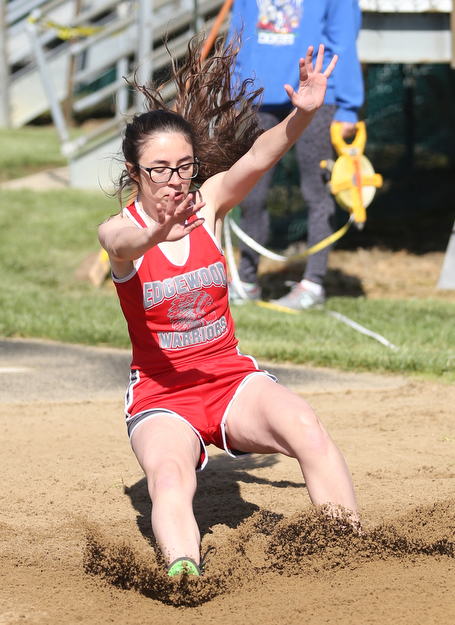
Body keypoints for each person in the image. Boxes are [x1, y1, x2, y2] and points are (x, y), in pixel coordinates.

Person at [98, 33, 360, 578]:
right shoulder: (121, 230)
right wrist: (155, 235)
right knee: (169, 479)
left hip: (230, 380)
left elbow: (261, 155)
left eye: (184, 166)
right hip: (162, 396)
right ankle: (184, 572)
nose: (175, 181)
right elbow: (121, 246)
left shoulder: (209, 203)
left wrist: (301, 114)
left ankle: (350, 548)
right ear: (133, 173)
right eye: (159, 170)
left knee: (305, 426)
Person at [228, 0, 364, 310]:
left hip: (317, 97)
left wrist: (348, 106)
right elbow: (236, 37)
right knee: (250, 192)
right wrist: (231, 93)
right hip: (257, 95)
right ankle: (246, 279)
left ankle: (313, 284)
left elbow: (344, 39)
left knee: (316, 191)